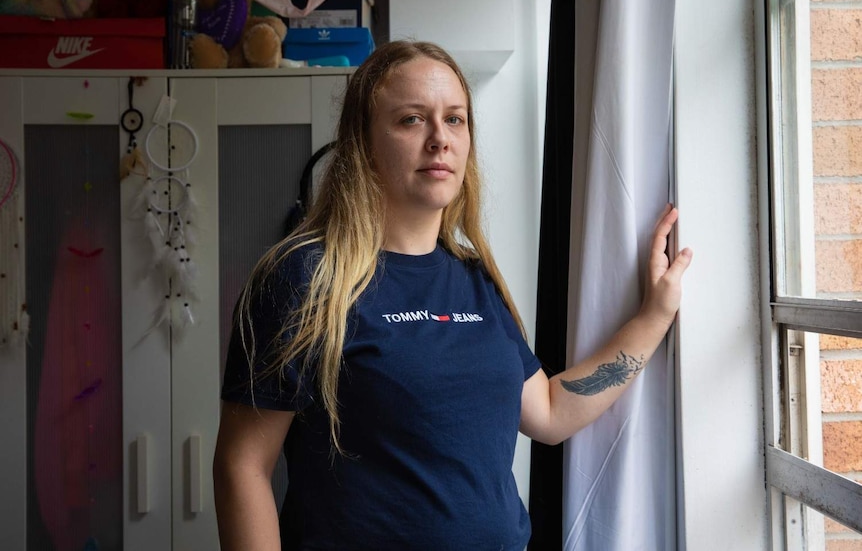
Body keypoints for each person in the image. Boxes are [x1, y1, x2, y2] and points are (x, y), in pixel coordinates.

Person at [213, 40, 692, 551]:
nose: (440, 139)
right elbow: (243, 466)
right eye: (412, 120)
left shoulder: (474, 278)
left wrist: (653, 318)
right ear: (363, 142)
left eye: (456, 120)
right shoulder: (303, 278)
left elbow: (549, 412)